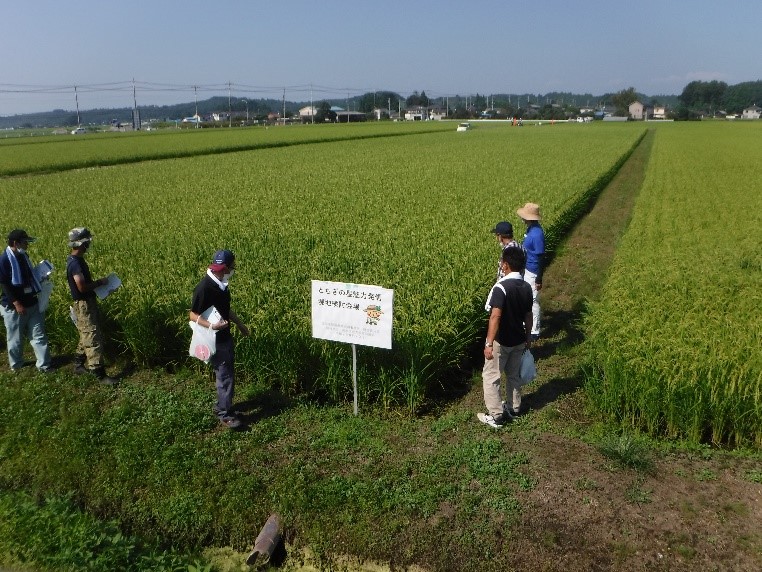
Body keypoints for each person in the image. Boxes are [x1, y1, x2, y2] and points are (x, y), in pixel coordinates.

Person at [189, 249, 250, 430]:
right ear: (224, 268)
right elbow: (192, 315)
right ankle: (226, 415)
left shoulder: (222, 284)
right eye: (232, 267)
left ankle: (222, 406)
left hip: (225, 335)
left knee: (227, 372)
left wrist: (239, 324)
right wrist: (212, 326)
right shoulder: (204, 288)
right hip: (214, 338)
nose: (233, 270)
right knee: (225, 376)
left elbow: (225, 309)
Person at [478, 246, 533, 428]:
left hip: (501, 341)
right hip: (519, 339)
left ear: (506, 265)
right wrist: (528, 338)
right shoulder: (526, 287)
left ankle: (496, 415)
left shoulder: (500, 287)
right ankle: (514, 407)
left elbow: (495, 316)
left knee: (491, 376)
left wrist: (488, 343)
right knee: (513, 375)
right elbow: (528, 315)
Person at [66, 227, 118, 385]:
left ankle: (77, 364)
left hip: (87, 302)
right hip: (84, 304)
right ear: (82, 244)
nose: (89, 244)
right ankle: (99, 373)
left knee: (86, 332)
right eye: (87, 241)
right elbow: (81, 286)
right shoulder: (75, 264)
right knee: (92, 335)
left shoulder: (77, 261)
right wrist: (100, 283)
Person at [0, 229, 53, 373]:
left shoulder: (24, 256)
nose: (27, 245)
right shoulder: (4, 260)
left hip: (32, 302)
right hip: (14, 307)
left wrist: (41, 277)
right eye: (25, 242)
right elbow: (4, 284)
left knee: (39, 335)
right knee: (15, 338)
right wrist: (17, 303)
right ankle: (16, 365)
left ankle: (44, 365)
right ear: (16, 243)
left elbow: (29, 276)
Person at [517, 202, 545, 341]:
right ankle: (526, 324)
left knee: (533, 300)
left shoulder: (537, 233)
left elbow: (540, 256)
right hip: (528, 269)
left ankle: (535, 330)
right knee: (527, 298)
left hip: (534, 270)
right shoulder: (530, 229)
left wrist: (539, 278)